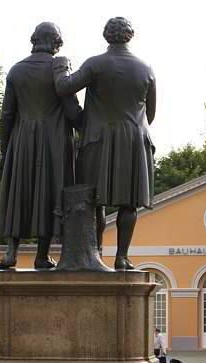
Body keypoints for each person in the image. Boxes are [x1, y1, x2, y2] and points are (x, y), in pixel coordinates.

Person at [52, 17, 156, 270]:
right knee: (128, 202)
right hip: (134, 141)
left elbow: (64, 87)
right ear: (129, 36)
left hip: (97, 140)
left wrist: (60, 66)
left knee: (92, 200)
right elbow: (150, 113)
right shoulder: (146, 69)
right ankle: (122, 257)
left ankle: (95, 253)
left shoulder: (95, 64)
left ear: (107, 36)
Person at [0, 22, 84, 270]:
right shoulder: (59, 69)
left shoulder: (16, 70)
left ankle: (11, 252)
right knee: (50, 193)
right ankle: (42, 256)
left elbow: (7, 115)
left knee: (18, 192)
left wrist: (5, 150)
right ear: (56, 42)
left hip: (21, 139)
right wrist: (89, 126)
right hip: (55, 141)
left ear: (34, 40)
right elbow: (72, 111)